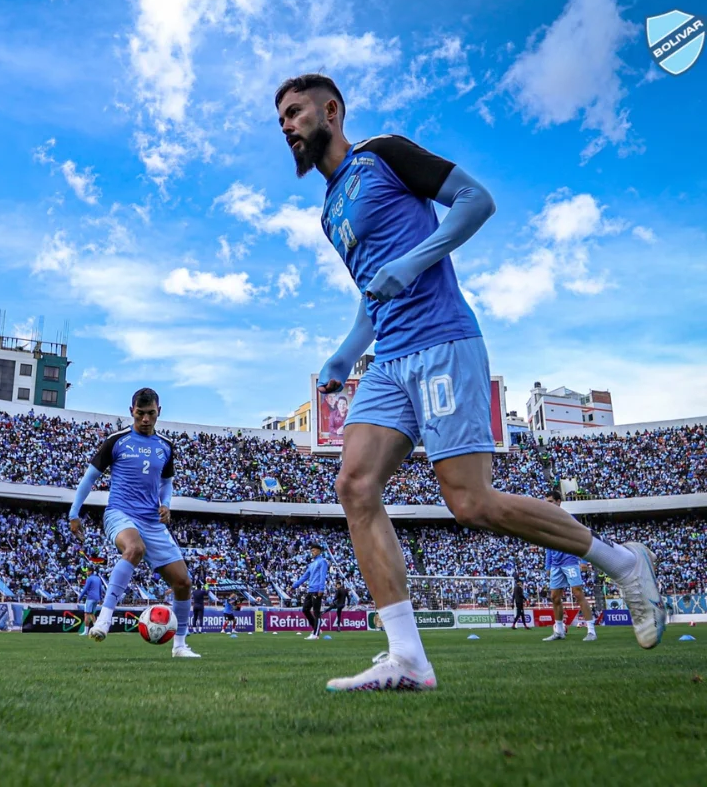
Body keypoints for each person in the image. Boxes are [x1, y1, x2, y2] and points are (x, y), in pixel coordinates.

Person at [274, 73, 664, 691]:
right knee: (355, 485)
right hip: (390, 358)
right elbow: (370, 293)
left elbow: (476, 201)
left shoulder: (385, 155)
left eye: (296, 113)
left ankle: (622, 561)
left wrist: (411, 262)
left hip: (443, 342)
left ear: (331, 111)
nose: (288, 127)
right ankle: (408, 659)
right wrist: (346, 356)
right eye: (281, 121)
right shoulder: (328, 213)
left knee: (471, 502)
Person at [68, 388, 199, 658]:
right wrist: (74, 513)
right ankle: (104, 618)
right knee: (134, 549)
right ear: (132, 412)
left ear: (158, 412)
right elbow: (89, 479)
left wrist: (167, 505)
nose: (146, 420)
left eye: (151, 414)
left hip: (153, 521)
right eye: (140, 414)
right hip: (121, 514)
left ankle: (180, 646)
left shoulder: (165, 447)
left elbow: (166, 483)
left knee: (183, 583)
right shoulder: (116, 441)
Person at [542, 492, 597, 642]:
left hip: (570, 561)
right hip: (555, 564)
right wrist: (548, 565)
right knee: (554, 597)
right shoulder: (546, 522)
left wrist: (584, 561)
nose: (548, 504)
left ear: (559, 502)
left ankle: (591, 631)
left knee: (578, 593)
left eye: (551, 501)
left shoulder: (568, 519)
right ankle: (559, 630)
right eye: (546, 501)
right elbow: (547, 544)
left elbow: (583, 538)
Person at [291, 542, 330, 639]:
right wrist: (294, 585)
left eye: (314, 550)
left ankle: (315, 634)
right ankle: (316, 628)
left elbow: (323, 576)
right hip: (311, 589)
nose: (312, 552)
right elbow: (305, 576)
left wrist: (321, 588)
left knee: (316, 612)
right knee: (305, 609)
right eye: (311, 550)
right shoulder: (312, 564)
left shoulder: (322, 562)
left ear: (319, 551)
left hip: (317, 589)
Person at [78, 570, 105, 637]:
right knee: (91, 614)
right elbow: (100, 589)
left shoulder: (89, 579)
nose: (86, 572)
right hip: (96, 598)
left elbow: (85, 589)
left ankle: (86, 631)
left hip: (90, 598)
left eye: (87, 571)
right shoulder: (98, 578)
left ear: (90, 571)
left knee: (86, 614)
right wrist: (101, 599)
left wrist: (80, 597)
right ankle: (96, 630)